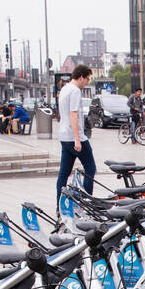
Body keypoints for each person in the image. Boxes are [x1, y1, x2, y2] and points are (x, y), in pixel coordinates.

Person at [56, 64, 95, 204]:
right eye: (87, 79)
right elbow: (73, 114)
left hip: (64, 136)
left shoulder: (64, 89)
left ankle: (59, 206)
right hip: (75, 137)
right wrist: (77, 139)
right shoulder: (75, 91)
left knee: (64, 173)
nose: (87, 82)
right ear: (81, 77)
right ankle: (86, 202)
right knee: (90, 168)